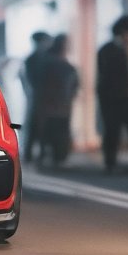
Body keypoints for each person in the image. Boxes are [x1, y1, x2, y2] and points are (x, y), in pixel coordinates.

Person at [96, 16, 128, 173]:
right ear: (124, 32)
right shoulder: (108, 50)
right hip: (113, 97)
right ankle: (110, 162)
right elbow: (105, 77)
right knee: (112, 130)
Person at [35, 34, 79, 168]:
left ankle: (54, 157)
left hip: (58, 102)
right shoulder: (55, 62)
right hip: (55, 102)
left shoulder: (52, 61)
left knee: (53, 130)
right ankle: (56, 158)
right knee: (56, 130)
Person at [20, 31, 53, 163]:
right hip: (36, 97)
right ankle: (30, 154)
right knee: (35, 125)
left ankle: (41, 154)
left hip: (40, 97)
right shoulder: (33, 59)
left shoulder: (41, 57)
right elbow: (30, 80)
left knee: (41, 126)